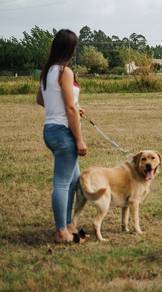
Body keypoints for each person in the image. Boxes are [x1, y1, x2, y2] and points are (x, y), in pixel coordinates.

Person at [36, 29, 88, 243]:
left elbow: (41, 100)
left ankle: (69, 225)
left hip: (50, 130)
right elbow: (68, 107)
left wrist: (73, 106)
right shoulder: (64, 71)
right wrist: (79, 139)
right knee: (62, 183)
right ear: (71, 49)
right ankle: (61, 232)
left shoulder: (48, 71)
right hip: (63, 132)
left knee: (74, 180)